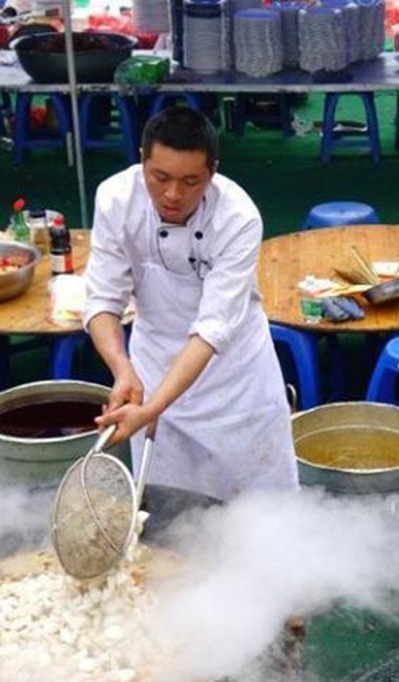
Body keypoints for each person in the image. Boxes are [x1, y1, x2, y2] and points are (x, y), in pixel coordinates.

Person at [83, 106, 298, 501]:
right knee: (170, 515)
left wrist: (152, 408)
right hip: (152, 362)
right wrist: (122, 369)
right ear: (142, 160)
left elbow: (212, 329)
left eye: (190, 181)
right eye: (159, 177)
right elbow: (102, 299)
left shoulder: (238, 217)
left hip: (234, 378)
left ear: (212, 172)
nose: (172, 194)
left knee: (259, 513)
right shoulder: (115, 198)